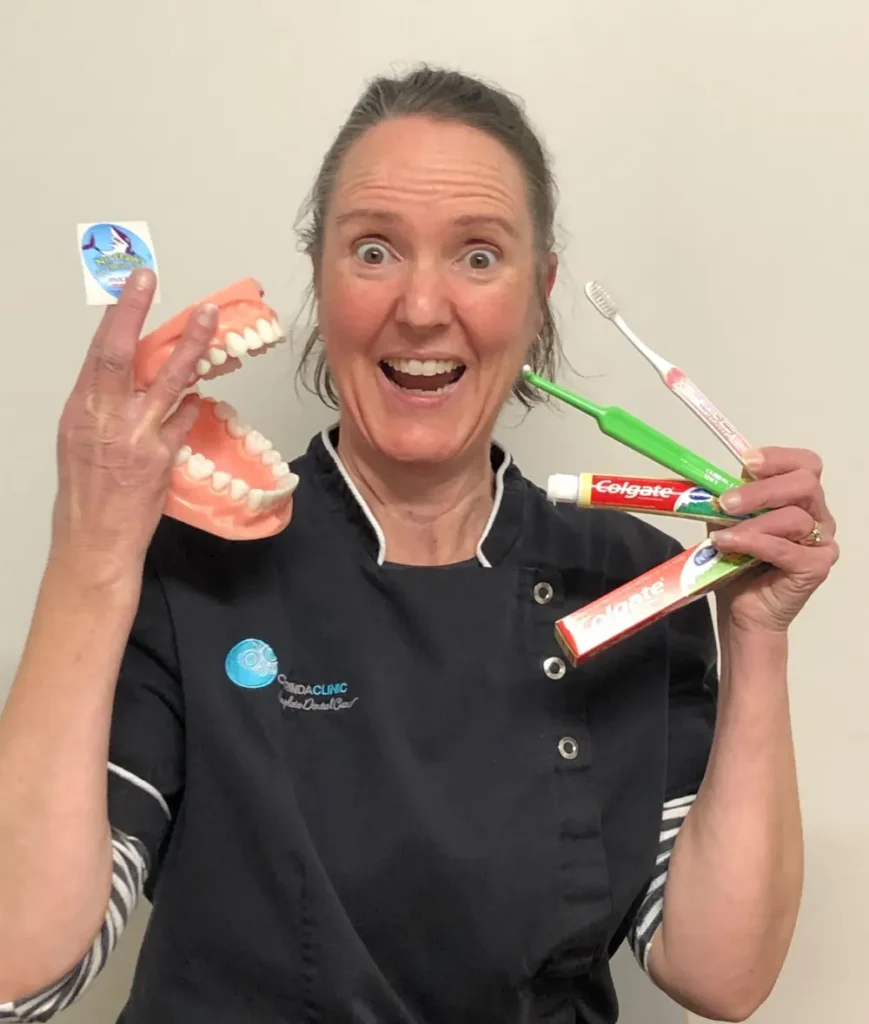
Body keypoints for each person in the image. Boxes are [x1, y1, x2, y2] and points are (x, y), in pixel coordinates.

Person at [0, 65, 838, 1024]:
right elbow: (20, 973)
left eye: (479, 257)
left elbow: (718, 973)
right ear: (321, 278)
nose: (424, 308)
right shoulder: (187, 569)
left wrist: (757, 630)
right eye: (373, 251)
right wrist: (93, 549)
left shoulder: (639, 581)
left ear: (539, 297)